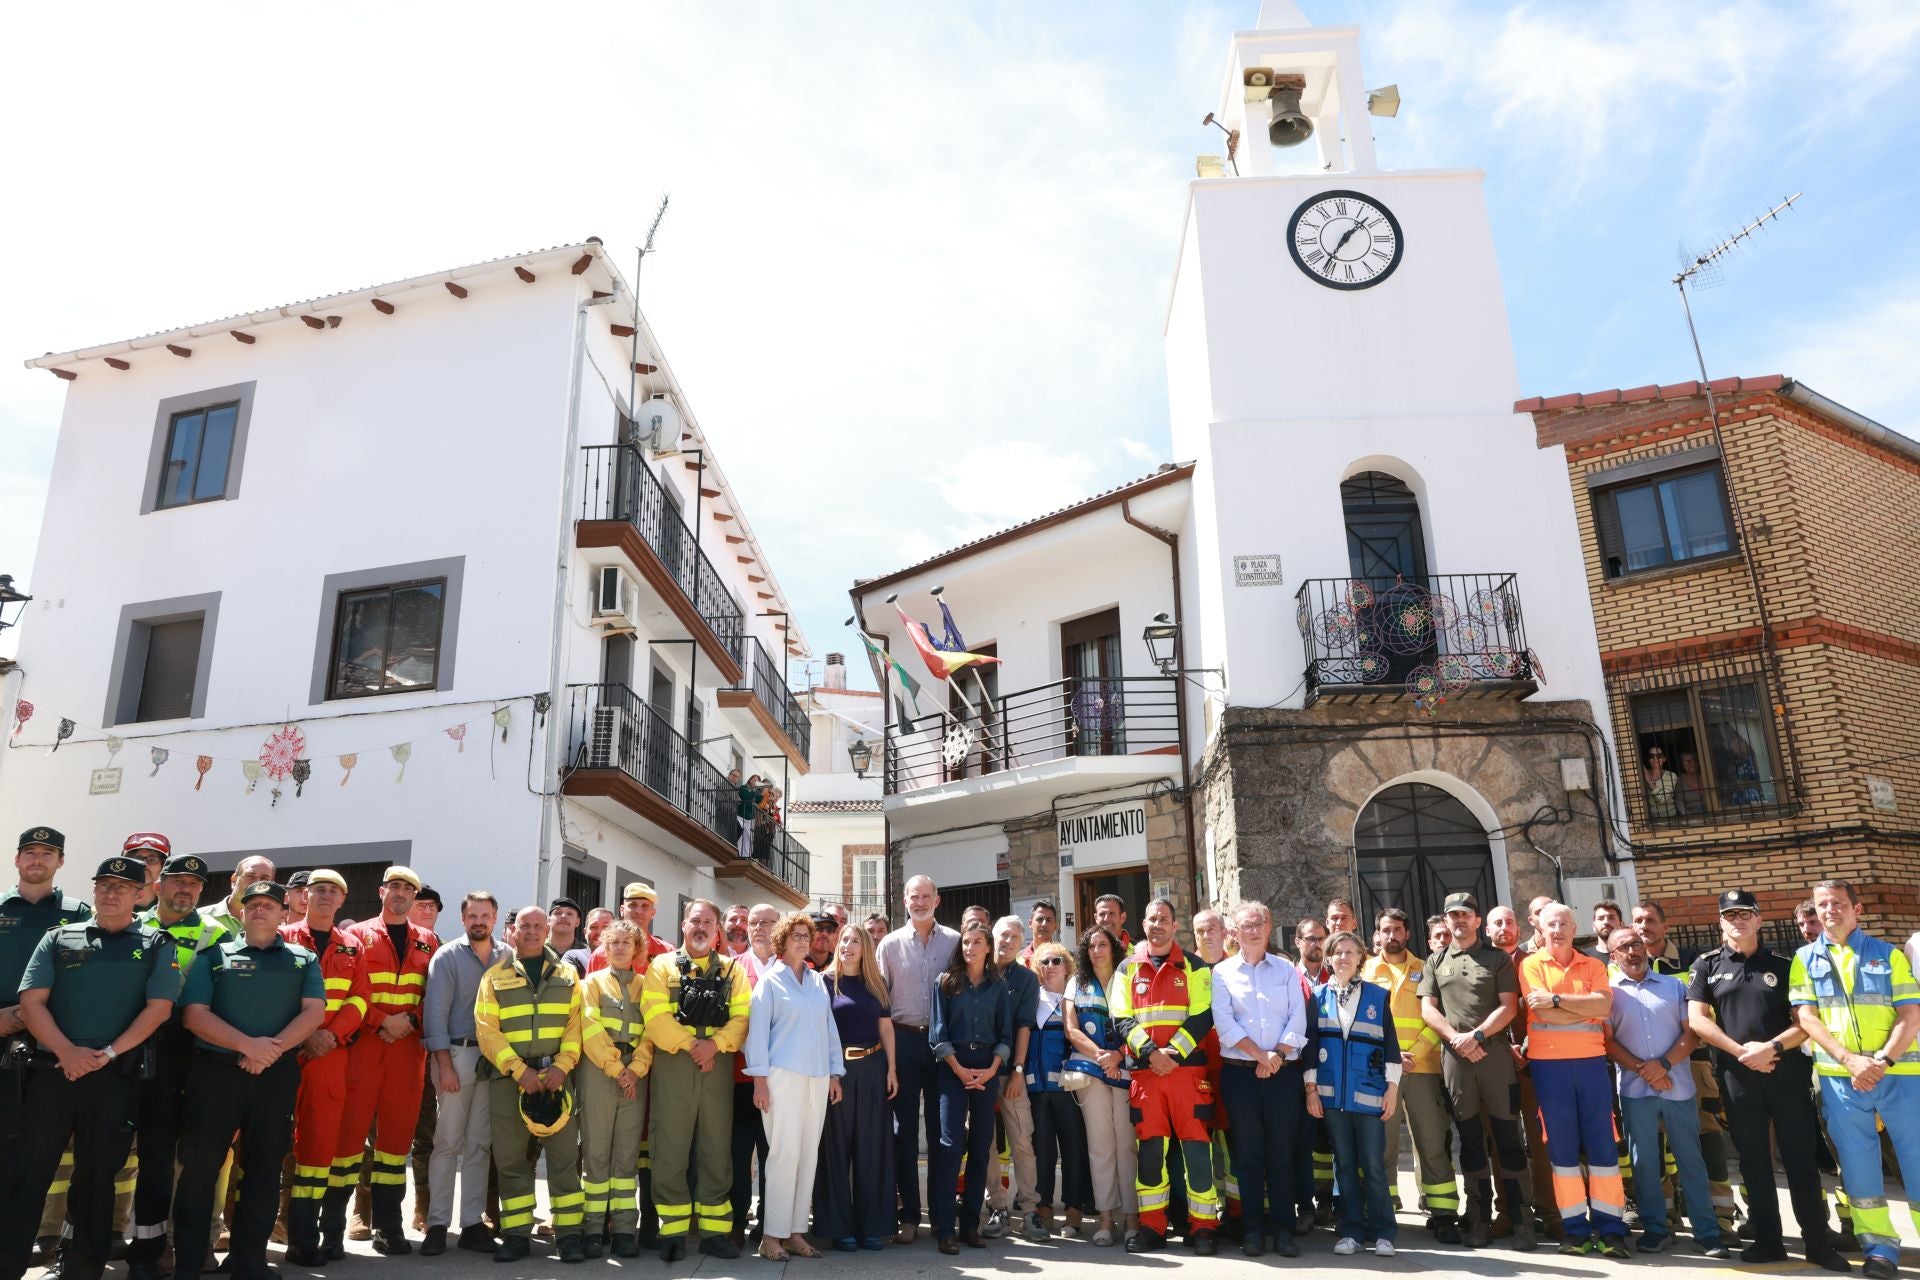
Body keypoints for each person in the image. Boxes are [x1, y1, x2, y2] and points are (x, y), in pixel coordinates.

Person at [0, 854, 177, 1280]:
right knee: (28, 1172)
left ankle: (83, 1268)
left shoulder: (156, 944)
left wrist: (109, 1054)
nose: (110, 893)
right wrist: (66, 1052)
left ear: (140, 895)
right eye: (103, 885)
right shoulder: (59, 938)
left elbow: (159, 1010)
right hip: (51, 1074)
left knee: (98, 1178)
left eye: (122, 887)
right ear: (94, 890)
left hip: (112, 1077)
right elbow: (32, 1002)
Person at [170, 880, 326, 1280]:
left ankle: (249, 1262)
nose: (259, 910)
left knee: (262, 1169)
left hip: (274, 1078)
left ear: (283, 913)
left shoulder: (303, 960)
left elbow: (313, 1013)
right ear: (241, 912)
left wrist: (269, 1052)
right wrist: (247, 1046)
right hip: (216, 1076)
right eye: (252, 904)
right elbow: (194, 1015)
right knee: (199, 1170)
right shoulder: (214, 957)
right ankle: (188, 1263)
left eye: (268, 905)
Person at [1688, 889, 1850, 1272]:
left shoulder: (1786, 961)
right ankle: (1768, 1241)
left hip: (1786, 1073)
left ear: (1759, 920)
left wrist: (1770, 1049)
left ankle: (1816, 1242)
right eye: (1730, 915)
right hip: (1736, 1076)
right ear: (1721, 922)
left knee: (1800, 1158)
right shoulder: (1707, 965)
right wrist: (1742, 1051)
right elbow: (1697, 1020)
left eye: (1745, 913)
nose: (1738, 920)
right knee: (1753, 1160)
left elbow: (1805, 1022)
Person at [1790, 879, 1920, 1280]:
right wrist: (1849, 1060)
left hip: (1899, 1073)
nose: (1829, 910)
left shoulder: (1889, 954)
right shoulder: (1803, 959)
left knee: (1917, 1160)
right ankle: (1880, 1248)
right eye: (1822, 904)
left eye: (1838, 903)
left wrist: (1880, 1061)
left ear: (1857, 909)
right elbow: (1807, 1018)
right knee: (1858, 1167)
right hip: (1840, 1078)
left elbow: (1910, 1014)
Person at [118, 849, 226, 1280]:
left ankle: (183, 1247)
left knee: (188, 1158)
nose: (186, 889)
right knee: (140, 1157)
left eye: (195, 884)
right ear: (158, 884)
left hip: (189, 1051)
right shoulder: (133, 924)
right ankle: (145, 1248)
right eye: (178, 880)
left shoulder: (214, 934)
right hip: (131, 1049)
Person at [1603, 924, 1729, 1257]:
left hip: (1678, 1087)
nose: (1632, 952)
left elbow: (1693, 1033)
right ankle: (1656, 1230)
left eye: (1635, 944)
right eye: (1623, 948)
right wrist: (1644, 1070)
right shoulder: (1608, 993)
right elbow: (1607, 1041)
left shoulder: (1674, 987)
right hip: (1635, 1090)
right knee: (1645, 1163)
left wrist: (1664, 1066)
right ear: (1612, 956)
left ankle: (1706, 1232)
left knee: (1691, 1160)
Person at [1419, 891, 1533, 1250]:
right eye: (1453, 915)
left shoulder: (1498, 960)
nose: (1459, 920)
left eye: (1465, 914)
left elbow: (1509, 1007)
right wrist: (1456, 1038)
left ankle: (1522, 1219)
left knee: (1509, 1140)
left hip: (1495, 1057)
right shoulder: (1435, 961)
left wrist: (1478, 1035)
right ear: (1447, 920)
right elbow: (1428, 1009)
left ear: (1477, 920)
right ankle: (1479, 1219)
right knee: (1470, 1142)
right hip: (1457, 1060)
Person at [474, 905, 587, 1264]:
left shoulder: (569, 975)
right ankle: (517, 1235)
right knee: (511, 1163)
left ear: (548, 928)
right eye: (526, 925)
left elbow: (576, 1026)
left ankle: (569, 1236)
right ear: (513, 930)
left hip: (557, 1081)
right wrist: (517, 1069)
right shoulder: (494, 976)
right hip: (509, 1081)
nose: (533, 931)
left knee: (564, 1161)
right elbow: (486, 1030)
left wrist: (562, 1066)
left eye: (539, 925)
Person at [642, 898, 750, 1261]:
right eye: (695, 921)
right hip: (675, 1061)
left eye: (708, 922)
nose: (701, 927)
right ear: (684, 926)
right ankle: (671, 1231)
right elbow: (655, 1016)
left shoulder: (733, 971)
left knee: (716, 1147)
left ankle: (714, 1234)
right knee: (670, 1145)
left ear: (717, 929)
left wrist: (714, 1045)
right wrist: (693, 1045)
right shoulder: (662, 966)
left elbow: (742, 1017)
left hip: (716, 1064)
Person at [1111, 898, 1221, 1254]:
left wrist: (1171, 1054)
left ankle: (1203, 1227)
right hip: (1147, 1076)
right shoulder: (1126, 969)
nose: (1157, 924)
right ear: (1143, 924)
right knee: (1150, 1155)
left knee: (1197, 1154)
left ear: (1176, 927)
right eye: (1151, 919)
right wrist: (1151, 1054)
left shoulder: (1196, 967)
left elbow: (1203, 1015)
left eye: (1164, 919)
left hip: (1187, 1075)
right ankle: (1152, 1227)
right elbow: (1121, 1018)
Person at [1519, 903, 1627, 1257]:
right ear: (1540, 927)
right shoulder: (1531, 964)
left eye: (1564, 923)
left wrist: (1556, 1000)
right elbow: (1543, 1011)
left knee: (1603, 1145)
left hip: (1592, 1063)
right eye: (1552, 923)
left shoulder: (1594, 964)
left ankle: (1611, 1228)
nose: (1558, 929)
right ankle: (1575, 1229)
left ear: (1574, 926)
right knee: (1562, 1149)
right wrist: (1579, 1006)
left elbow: (1603, 1008)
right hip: (1549, 1067)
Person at [744, 912, 842, 1260]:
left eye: (807, 935)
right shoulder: (769, 983)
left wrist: (834, 1073)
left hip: (816, 1078)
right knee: (783, 1156)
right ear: (782, 941)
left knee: (806, 1156)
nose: (803, 940)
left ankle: (796, 1232)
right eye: (796, 935)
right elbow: (756, 1037)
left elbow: (829, 1031)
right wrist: (760, 1083)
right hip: (781, 1078)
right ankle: (771, 1236)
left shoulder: (816, 982)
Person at [1212, 902, 1308, 1259]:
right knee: (1248, 1156)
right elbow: (1225, 1024)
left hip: (1283, 1074)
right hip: (1241, 1077)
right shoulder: (1221, 973)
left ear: (1269, 928)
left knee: (1282, 1154)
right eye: (1245, 925)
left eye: (1259, 923)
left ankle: (1284, 1230)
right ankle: (1252, 1230)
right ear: (1234, 933)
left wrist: (1277, 1057)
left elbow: (1298, 1019)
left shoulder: (1286, 970)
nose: (1252, 930)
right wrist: (1260, 1056)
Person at [875, 874, 960, 1244]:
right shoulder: (889, 946)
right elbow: (880, 1004)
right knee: (904, 1135)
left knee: (944, 1136)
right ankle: (909, 1216)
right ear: (905, 901)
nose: (920, 902)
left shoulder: (956, 942)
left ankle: (943, 1220)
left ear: (937, 900)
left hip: (944, 1048)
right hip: (904, 1044)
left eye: (927, 896)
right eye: (914, 896)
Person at [1308, 930, 1402, 1258]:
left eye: (1351, 952)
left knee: (1373, 1165)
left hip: (1370, 1094)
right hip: (1332, 1097)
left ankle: (1383, 1232)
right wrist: (1311, 1090)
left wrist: (1392, 1088)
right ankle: (1350, 1230)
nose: (1344, 957)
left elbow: (1391, 1046)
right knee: (1344, 1165)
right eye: (1338, 952)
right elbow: (1311, 1048)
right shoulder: (1317, 996)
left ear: (1361, 957)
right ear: (1329, 958)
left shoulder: (1378, 996)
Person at [419, 889, 500, 1257]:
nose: (479, 922)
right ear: (463, 919)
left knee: (480, 1144)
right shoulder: (447, 956)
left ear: (494, 919)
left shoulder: (506, 957)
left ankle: (471, 1223)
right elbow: (434, 1014)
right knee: (448, 1142)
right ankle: (437, 1224)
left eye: (485, 916)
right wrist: (444, 1064)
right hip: (456, 1055)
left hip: (492, 1061)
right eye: (473, 916)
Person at [0, 828, 91, 1153]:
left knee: (40, 1137)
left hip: (52, 1039)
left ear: (61, 861)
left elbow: (83, 976)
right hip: (0, 1027)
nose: (37, 860)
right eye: (30, 853)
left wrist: (32, 1017)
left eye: (47, 854)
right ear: (17, 859)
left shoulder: (78, 914)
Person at [1365, 906, 1455, 1233]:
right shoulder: (1366, 971)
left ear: (1407, 934)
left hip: (1423, 1066)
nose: (1392, 936)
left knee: (1431, 1140)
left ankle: (1443, 1213)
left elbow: (1438, 1016)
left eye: (1397, 930)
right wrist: (1391, 1056)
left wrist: (1412, 1053)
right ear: (1377, 934)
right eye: (1386, 930)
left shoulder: (1426, 968)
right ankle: (1384, 1210)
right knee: (1382, 1143)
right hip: (1379, 1070)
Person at [929, 922, 1012, 1255]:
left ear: (988, 947)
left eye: (978, 942)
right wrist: (959, 1069)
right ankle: (945, 1229)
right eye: (966, 942)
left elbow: (1005, 1036)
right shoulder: (945, 983)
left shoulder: (998, 987)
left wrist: (991, 1069)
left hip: (987, 1068)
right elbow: (937, 1034)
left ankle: (969, 1227)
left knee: (980, 1147)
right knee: (950, 1146)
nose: (971, 948)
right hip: (953, 1068)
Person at [816, 922, 896, 1252]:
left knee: (872, 1149)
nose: (848, 945)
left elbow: (887, 1029)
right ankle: (839, 1228)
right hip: (837, 1072)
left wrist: (892, 1069)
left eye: (855, 941)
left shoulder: (876, 985)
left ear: (865, 949)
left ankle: (872, 1227)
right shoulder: (822, 982)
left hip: (874, 1069)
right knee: (834, 1151)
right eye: (844, 939)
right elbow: (819, 1032)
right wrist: (832, 1075)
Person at [578, 920, 654, 1259]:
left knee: (626, 1156)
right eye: (615, 942)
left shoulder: (647, 986)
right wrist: (617, 1068)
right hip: (599, 1072)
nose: (621, 948)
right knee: (595, 1153)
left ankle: (624, 1229)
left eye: (627, 943)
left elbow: (653, 1031)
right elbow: (589, 1027)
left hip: (635, 1076)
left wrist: (635, 1069)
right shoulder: (590, 983)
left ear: (637, 950)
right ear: (605, 948)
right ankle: (593, 1229)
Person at [1063, 924, 1136, 1247]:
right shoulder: (1075, 983)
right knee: (1100, 1145)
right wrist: (1101, 1056)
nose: (1097, 950)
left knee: (1126, 1144)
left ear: (1114, 947)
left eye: (1102, 944)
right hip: (1090, 1071)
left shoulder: (1128, 980)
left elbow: (1139, 1022)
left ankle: (1132, 1217)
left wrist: (1118, 1055)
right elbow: (1071, 1028)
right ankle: (1106, 1217)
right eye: (1091, 945)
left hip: (1124, 1069)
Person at [1488, 902, 1555, 1236]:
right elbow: (1475, 1012)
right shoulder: (1482, 963)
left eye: (1509, 921)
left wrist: (1525, 1048)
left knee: (1541, 1141)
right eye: (1497, 922)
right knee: (1502, 1142)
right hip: (1496, 1066)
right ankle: (1510, 1211)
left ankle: (1550, 1211)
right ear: (1488, 930)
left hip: (1536, 1064)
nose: (1504, 927)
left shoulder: (1536, 963)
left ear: (1520, 928)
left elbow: (1545, 1009)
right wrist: (1504, 1047)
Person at [1025, 940, 1090, 1240]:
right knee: (1043, 1150)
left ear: (1068, 966)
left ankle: (1074, 1208)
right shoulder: (1029, 1000)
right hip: (1035, 1089)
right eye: (1044, 962)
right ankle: (1043, 1207)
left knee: (1074, 1147)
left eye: (1056, 961)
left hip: (1068, 1087)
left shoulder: (1075, 999)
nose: (1050, 967)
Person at [728, 902, 780, 1246]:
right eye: (755, 922)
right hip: (740, 1078)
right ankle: (735, 1223)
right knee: (738, 1153)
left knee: (772, 1154)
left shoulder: (796, 969)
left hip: (781, 1080)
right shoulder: (733, 969)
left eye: (767, 922)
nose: (759, 927)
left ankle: (768, 1223)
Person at [987, 915, 1041, 1240]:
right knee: (986, 1145)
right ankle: (997, 1207)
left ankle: (1031, 1210)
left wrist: (1018, 1070)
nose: (1007, 941)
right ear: (992, 936)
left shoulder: (1026, 979)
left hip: (1010, 1075)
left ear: (1021, 944)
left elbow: (1024, 1026)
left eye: (1014, 938)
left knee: (1022, 1141)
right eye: (1003, 935)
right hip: (979, 1072)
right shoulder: (976, 972)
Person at [202, 856, 275, 936]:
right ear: (234, 880)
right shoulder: (200, 917)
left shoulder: (277, 925)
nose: (256, 883)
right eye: (250, 876)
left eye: (264, 879)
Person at [1643, 747, 1679, 820]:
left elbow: (1663, 799)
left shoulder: (1672, 776)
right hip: (1650, 818)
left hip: (1670, 816)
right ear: (1648, 760)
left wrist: (1649, 781)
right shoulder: (1642, 776)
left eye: (1659, 756)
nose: (1655, 758)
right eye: (1652, 756)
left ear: (1664, 759)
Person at [547, 897, 583, 966]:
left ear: (577, 922)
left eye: (569, 913)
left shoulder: (586, 954)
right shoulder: (537, 949)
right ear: (549, 921)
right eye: (558, 913)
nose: (563, 916)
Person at [1021, 901, 1059, 965]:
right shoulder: (1019, 959)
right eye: (1040, 919)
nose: (1044, 924)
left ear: (1055, 926)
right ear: (1030, 924)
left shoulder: (1063, 958)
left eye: (1048, 920)